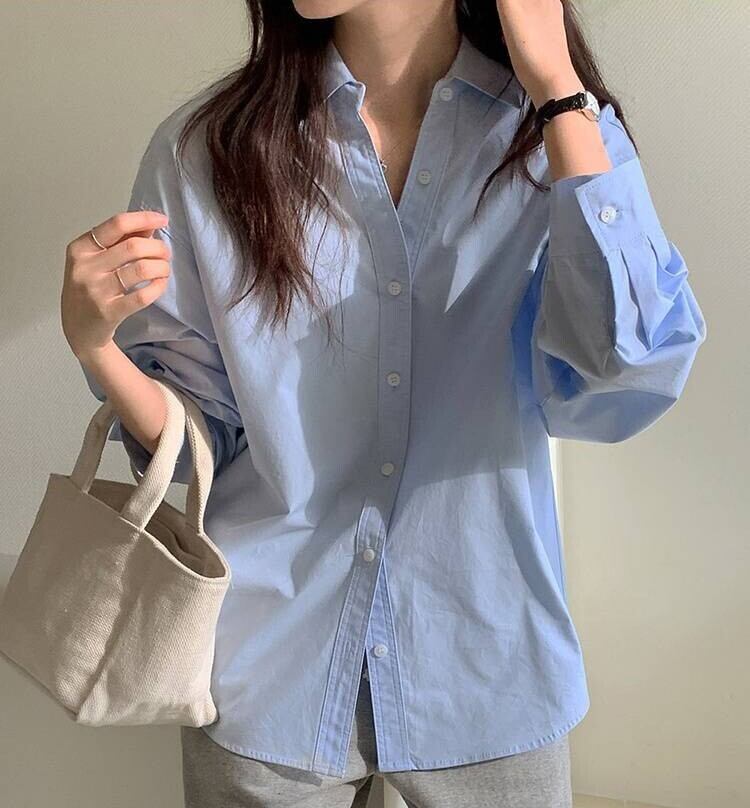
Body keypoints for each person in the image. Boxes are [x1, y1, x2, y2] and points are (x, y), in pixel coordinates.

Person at [61, 1, 707, 806]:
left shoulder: (548, 138)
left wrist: (558, 89)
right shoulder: (207, 151)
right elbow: (204, 441)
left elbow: (623, 376)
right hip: (269, 675)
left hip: (484, 664)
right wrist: (95, 346)